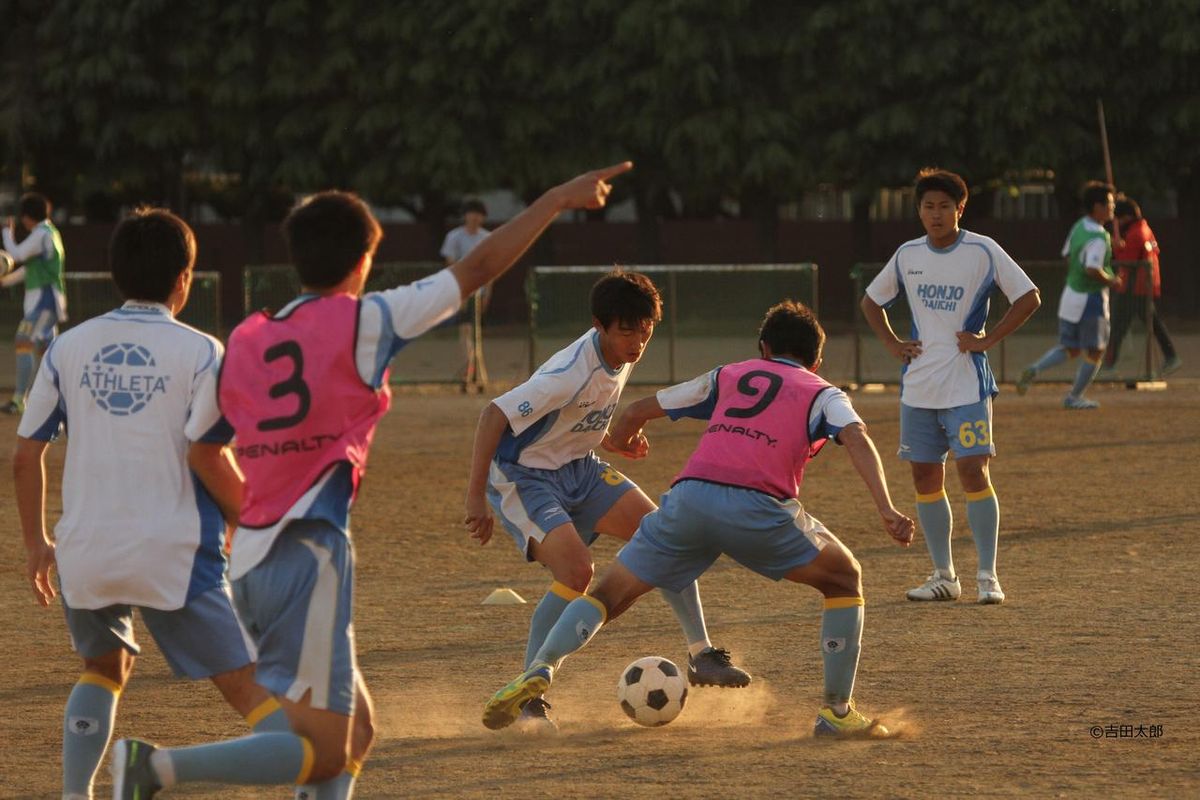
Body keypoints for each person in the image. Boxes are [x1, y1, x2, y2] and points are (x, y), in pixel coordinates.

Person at [111, 161, 634, 799]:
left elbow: (202, 449)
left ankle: (156, 770)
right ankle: (154, 769)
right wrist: (553, 199)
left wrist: (255, 516)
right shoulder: (366, 322)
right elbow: (477, 268)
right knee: (325, 748)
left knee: (355, 734)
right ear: (364, 261)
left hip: (251, 560)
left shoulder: (248, 337)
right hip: (308, 554)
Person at [481, 300, 915, 737]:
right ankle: (836, 711)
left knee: (607, 595)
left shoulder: (729, 374)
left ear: (763, 349)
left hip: (688, 501)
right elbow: (856, 436)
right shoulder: (824, 392)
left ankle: (542, 667)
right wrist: (886, 507)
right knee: (844, 579)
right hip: (759, 509)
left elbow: (637, 410)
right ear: (816, 361)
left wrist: (624, 438)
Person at [13, 208, 281, 800]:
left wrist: (36, 543)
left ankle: (75, 794)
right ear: (184, 279)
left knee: (104, 666)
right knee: (251, 685)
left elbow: (26, 454)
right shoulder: (204, 352)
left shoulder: (67, 347)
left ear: (115, 275)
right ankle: (307, 771)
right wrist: (252, 523)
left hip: (85, 550)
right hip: (175, 552)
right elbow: (211, 455)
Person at [466, 269, 750, 732]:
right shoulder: (566, 373)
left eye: (646, 330)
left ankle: (701, 655)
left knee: (665, 534)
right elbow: (492, 414)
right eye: (626, 331)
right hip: (525, 476)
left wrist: (614, 442)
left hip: (580, 467)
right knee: (576, 572)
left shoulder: (621, 351)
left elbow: (579, 416)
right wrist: (475, 497)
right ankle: (530, 698)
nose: (637, 342)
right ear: (599, 325)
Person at [861, 168, 1040, 604]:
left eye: (944, 206)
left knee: (973, 470)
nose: (936, 214)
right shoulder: (907, 254)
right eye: (928, 206)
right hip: (919, 388)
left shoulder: (983, 250)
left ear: (960, 208)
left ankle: (987, 576)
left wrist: (987, 340)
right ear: (919, 210)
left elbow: (1029, 297)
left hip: (966, 386)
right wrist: (892, 343)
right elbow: (870, 301)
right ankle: (944, 575)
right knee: (925, 476)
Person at [1016, 181, 1120, 408]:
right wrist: (1112, 280)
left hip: (1070, 295)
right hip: (1091, 299)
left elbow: (1067, 255)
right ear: (1097, 207)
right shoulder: (1100, 237)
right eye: (1110, 204)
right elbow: (1092, 269)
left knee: (1070, 348)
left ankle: (1034, 368)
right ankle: (1074, 397)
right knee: (1096, 351)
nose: (1113, 208)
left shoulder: (1079, 226)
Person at [1, 192, 68, 414]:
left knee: (24, 340)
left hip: (44, 302)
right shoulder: (48, 234)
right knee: (46, 353)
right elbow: (28, 269)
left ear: (27, 216)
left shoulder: (41, 234)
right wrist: (4, 281)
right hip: (46, 303)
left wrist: (6, 233)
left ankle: (19, 399)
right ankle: (56, 401)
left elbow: (17, 254)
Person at [1102, 196, 1180, 375]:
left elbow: (1125, 260)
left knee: (1120, 324)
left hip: (1133, 286)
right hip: (1142, 285)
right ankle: (1171, 356)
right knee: (1150, 322)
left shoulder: (1135, 233)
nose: (1119, 222)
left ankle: (1109, 365)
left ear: (1127, 217)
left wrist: (1116, 243)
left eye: (1120, 219)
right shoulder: (1143, 229)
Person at [441, 199, 492, 385]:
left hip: (480, 291)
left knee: (474, 333)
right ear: (465, 216)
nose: (474, 217)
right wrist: (459, 291)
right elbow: (451, 264)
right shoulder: (454, 236)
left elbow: (490, 269)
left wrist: (488, 293)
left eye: (478, 214)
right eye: (471, 213)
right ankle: (472, 370)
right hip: (463, 290)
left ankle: (473, 371)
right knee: (466, 331)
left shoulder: (487, 238)